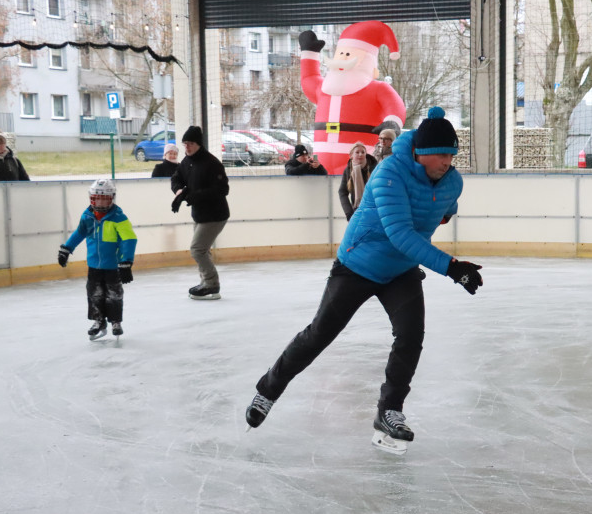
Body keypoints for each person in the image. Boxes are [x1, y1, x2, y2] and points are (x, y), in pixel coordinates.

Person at [245, 107, 484, 456]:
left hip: (400, 269)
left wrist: (443, 212)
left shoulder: (453, 181)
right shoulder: (389, 173)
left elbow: (445, 207)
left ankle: (389, 412)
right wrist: (452, 267)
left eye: (451, 154)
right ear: (420, 152)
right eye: (440, 154)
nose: (446, 161)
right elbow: (400, 233)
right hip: (358, 264)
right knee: (319, 334)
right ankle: (267, 389)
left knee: (410, 335)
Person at [299, 21, 406, 175]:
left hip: (360, 162)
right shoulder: (323, 89)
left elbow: (396, 107)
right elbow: (308, 78)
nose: (342, 58)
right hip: (321, 162)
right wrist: (309, 53)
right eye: (340, 54)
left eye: (348, 54)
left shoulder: (377, 89)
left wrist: (391, 125)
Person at [57, 179, 137, 340]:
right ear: (92, 198)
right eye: (97, 198)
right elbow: (79, 233)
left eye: (105, 198)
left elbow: (129, 239)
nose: (100, 201)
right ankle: (98, 321)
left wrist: (126, 262)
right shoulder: (87, 216)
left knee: (114, 294)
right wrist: (67, 248)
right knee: (94, 294)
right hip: (94, 265)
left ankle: (115, 321)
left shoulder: (118, 218)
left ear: (111, 198)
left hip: (113, 266)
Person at [171, 125, 230, 300]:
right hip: (199, 214)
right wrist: (179, 192)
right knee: (203, 249)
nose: (186, 147)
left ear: (198, 144)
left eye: (190, 143)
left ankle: (211, 284)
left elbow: (222, 190)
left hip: (215, 215)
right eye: (184, 144)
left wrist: (193, 196)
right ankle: (206, 282)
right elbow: (177, 177)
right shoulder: (187, 161)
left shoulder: (211, 163)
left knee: (197, 250)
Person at [337, 141, 377, 220]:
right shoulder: (348, 170)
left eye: (363, 152)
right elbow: (342, 192)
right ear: (351, 155)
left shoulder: (374, 168)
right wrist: (349, 213)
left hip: (374, 210)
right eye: (357, 152)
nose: (360, 154)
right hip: (357, 211)